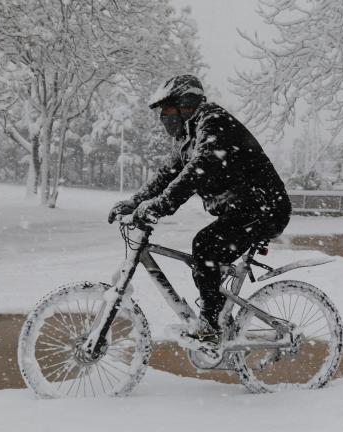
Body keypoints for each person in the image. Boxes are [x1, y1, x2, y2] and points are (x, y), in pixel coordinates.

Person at [107, 75, 291, 343]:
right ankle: (216, 317)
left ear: (185, 104)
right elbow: (168, 175)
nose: (162, 118)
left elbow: (196, 171)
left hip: (265, 208)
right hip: (243, 209)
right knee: (207, 255)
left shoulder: (213, 123)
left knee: (206, 246)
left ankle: (212, 326)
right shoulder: (189, 137)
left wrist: (159, 206)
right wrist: (135, 202)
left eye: (166, 110)